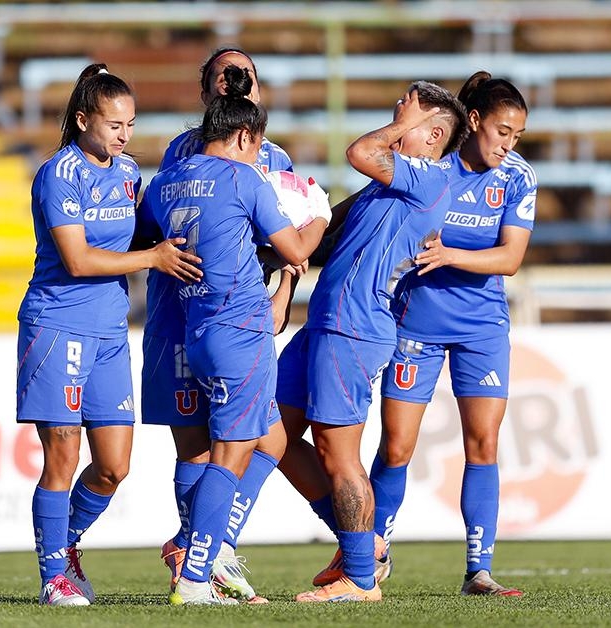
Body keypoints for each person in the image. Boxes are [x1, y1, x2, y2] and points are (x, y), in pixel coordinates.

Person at [139, 64, 328, 605]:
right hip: (239, 328)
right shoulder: (245, 177)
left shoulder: (168, 178)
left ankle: (201, 548)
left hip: (196, 328)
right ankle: (197, 571)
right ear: (245, 136)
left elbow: (147, 235)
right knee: (229, 453)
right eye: (257, 145)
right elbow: (295, 250)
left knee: (268, 439)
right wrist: (315, 215)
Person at [274, 82, 468, 603]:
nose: (394, 114)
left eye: (406, 111)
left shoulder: (429, 175)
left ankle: (360, 576)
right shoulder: (393, 184)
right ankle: (364, 545)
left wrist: (405, 127)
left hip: (354, 327)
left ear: (431, 134)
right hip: (328, 321)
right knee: (274, 431)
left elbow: (360, 151)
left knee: (340, 456)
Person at [16, 63, 202, 607]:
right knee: (62, 453)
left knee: (114, 464)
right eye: (115, 124)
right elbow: (76, 259)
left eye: (131, 123)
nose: (125, 134)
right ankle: (53, 575)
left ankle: (64, 545)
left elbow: (146, 231)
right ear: (81, 120)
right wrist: (154, 257)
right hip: (56, 324)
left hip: (108, 330)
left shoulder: (125, 174)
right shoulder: (58, 174)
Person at [374, 71, 534, 597]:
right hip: (415, 322)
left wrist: (449, 254)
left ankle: (479, 570)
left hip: (481, 327)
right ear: (474, 121)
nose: (509, 145)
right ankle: (371, 551)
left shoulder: (517, 178)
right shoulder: (431, 166)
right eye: (502, 131)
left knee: (483, 443)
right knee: (396, 446)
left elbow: (510, 259)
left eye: (517, 136)